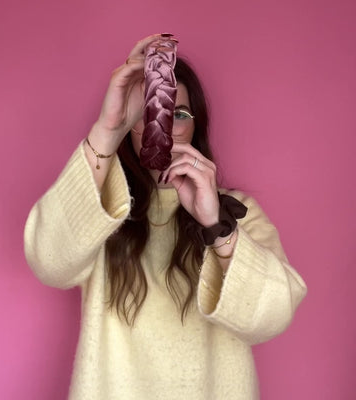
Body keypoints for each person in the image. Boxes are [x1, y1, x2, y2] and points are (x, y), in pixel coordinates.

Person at [24, 33, 307, 400]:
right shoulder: (101, 205)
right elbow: (49, 263)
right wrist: (107, 130)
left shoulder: (238, 211)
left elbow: (272, 318)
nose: (165, 127)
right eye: (150, 112)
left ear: (196, 127)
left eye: (180, 114)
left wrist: (216, 226)